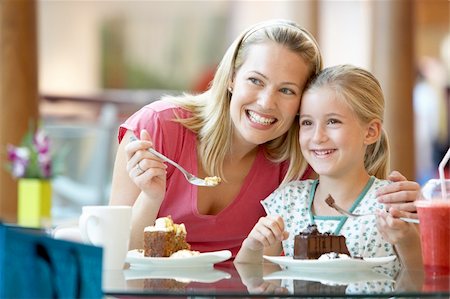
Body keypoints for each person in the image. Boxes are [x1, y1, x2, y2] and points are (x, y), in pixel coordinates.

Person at [109, 20, 419, 256]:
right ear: (231, 78)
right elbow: (114, 257)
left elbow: (359, 212)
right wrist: (151, 198)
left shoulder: (298, 163)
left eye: (286, 90)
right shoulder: (157, 129)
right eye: (256, 81)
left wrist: (403, 205)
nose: (266, 103)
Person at [234, 65, 422, 269]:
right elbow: (252, 277)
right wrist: (252, 246)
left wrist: (407, 240)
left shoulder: (393, 206)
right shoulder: (288, 202)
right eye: (307, 123)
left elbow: (421, 281)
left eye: (333, 121)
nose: (317, 137)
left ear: (370, 132)